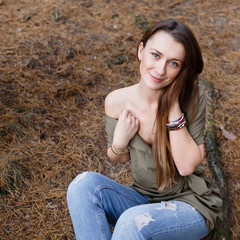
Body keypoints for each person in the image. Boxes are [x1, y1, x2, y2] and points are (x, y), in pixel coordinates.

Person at [67, 19, 222, 240]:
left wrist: (173, 107)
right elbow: (118, 157)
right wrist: (119, 143)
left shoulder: (192, 99)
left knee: (133, 223)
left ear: (182, 69)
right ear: (141, 50)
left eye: (174, 63)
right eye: (156, 55)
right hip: (142, 198)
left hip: (191, 204)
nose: (160, 69)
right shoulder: (117, 102)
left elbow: (186, 166)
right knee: (82, 187)